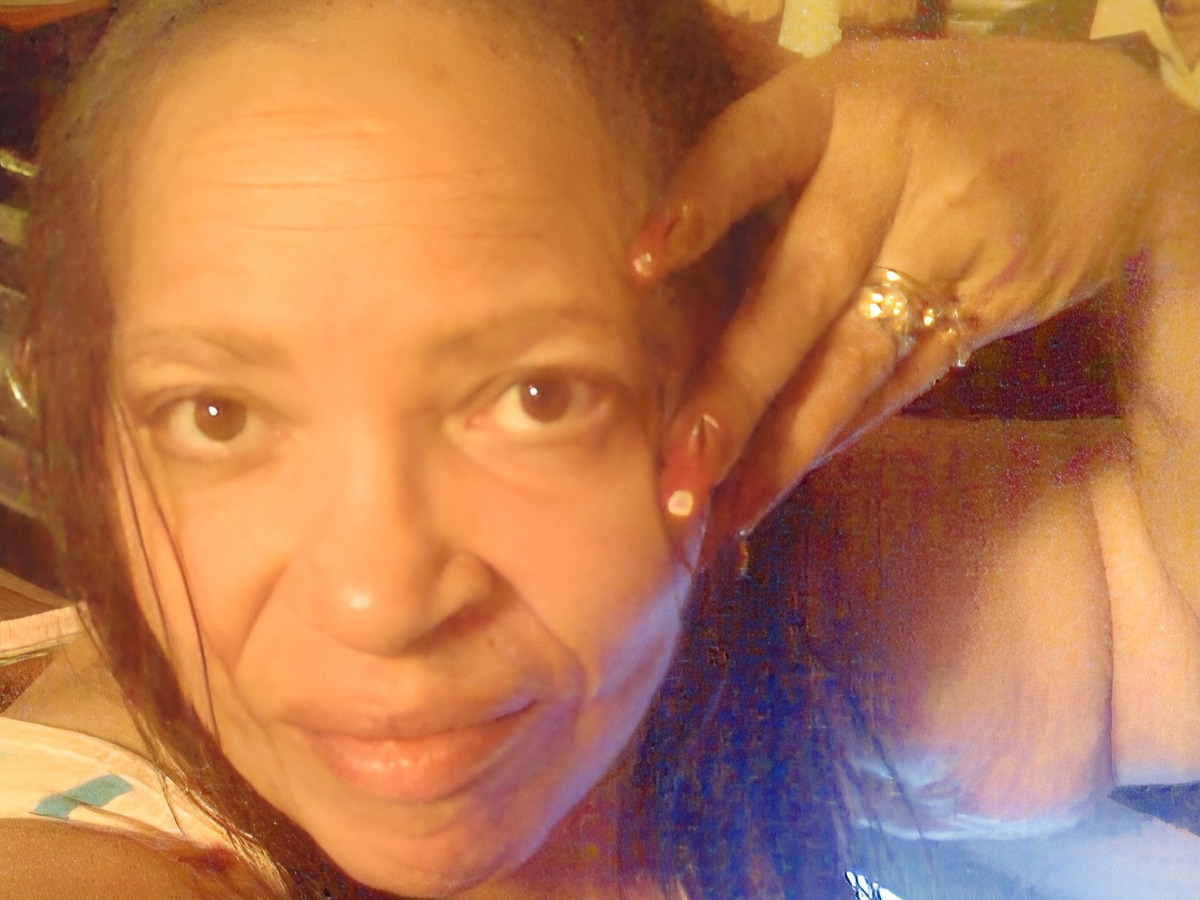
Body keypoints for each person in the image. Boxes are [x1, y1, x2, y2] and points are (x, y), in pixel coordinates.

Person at [2, 1, 1199, 899]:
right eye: (216, 416)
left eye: (538, 396)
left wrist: (1163, 197)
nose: (379, 599)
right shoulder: (89, 840)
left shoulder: (768, 594)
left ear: (735, 370)